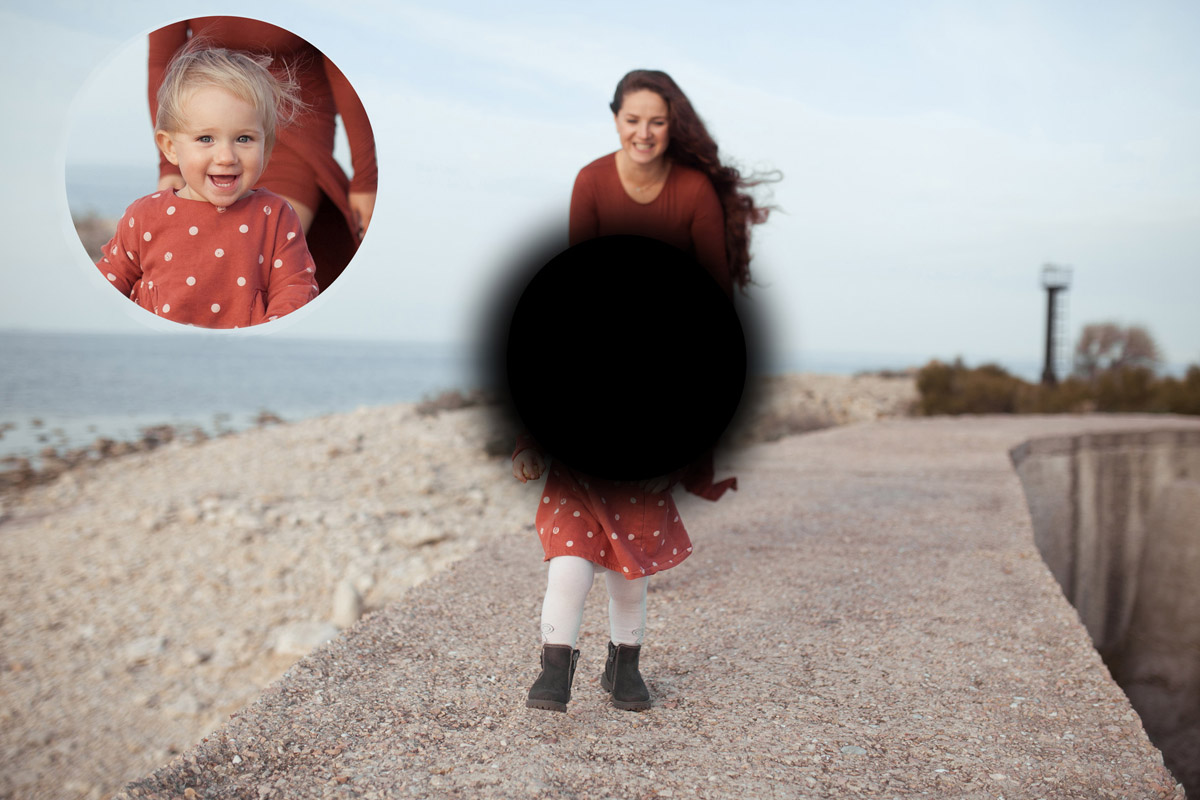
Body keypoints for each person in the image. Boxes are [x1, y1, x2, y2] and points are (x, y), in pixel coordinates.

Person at [514, 69, 774, 712]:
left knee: (631, 566)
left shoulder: (691, 192)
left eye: (656, 121)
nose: (644, 133)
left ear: (671, 125)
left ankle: (623, 668)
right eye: (632, 120)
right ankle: (555, 669)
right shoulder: (592, 181)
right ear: (615, 120)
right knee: (570, 559)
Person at [96, 45, 318, 328]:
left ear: (267, 145)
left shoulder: (275, 217)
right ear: (170, 147)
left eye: (244, 139)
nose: (226, 157)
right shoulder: (143, 217)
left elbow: (295, 291)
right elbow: (106, 288)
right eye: (205, 139)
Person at [148, 17, 377, 291]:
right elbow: (162, 61)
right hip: (209, 125)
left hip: (293, 122)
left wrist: (366, 178)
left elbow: (343, 66)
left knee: (256, 257)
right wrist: (170, 167)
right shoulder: (137, 219)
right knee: (196, 260)